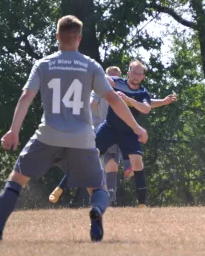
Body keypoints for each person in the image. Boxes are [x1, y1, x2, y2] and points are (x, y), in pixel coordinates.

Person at [0, 16, 147, 243]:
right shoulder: (91, 65)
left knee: (15, 181)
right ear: (79, 39)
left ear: (57, 37)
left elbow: (26, 96)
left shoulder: (43, 64)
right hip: (82, 138)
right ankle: (96, 213)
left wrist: (14, 130)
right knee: (98, 187)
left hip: (48, 135)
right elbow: (113, 99)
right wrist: (136, 126)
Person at [50, 60, 176, 207]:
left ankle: (142, 203)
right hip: (109, 128)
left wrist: (129, 100)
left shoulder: (142, 93)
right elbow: (103, 79)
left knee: (137, 162)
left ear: (143, 77)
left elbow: (146, 108)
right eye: (134, 72)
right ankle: (60, 187)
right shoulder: (116, 83)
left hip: (129, 132)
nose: (136, 76)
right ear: (128, 73)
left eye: (139, 74)